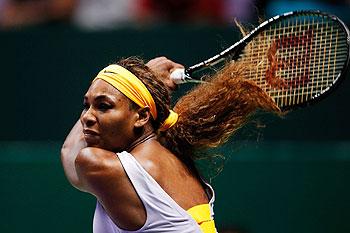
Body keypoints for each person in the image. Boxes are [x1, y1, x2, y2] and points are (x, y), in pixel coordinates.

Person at [61, 56, 280, 233]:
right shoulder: (174, 156)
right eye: (86, 105)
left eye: (103, 106)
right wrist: (142, 81)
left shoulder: (98, 165)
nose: (86, 118)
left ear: (141, 117)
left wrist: (146, 76)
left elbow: (69, 152)